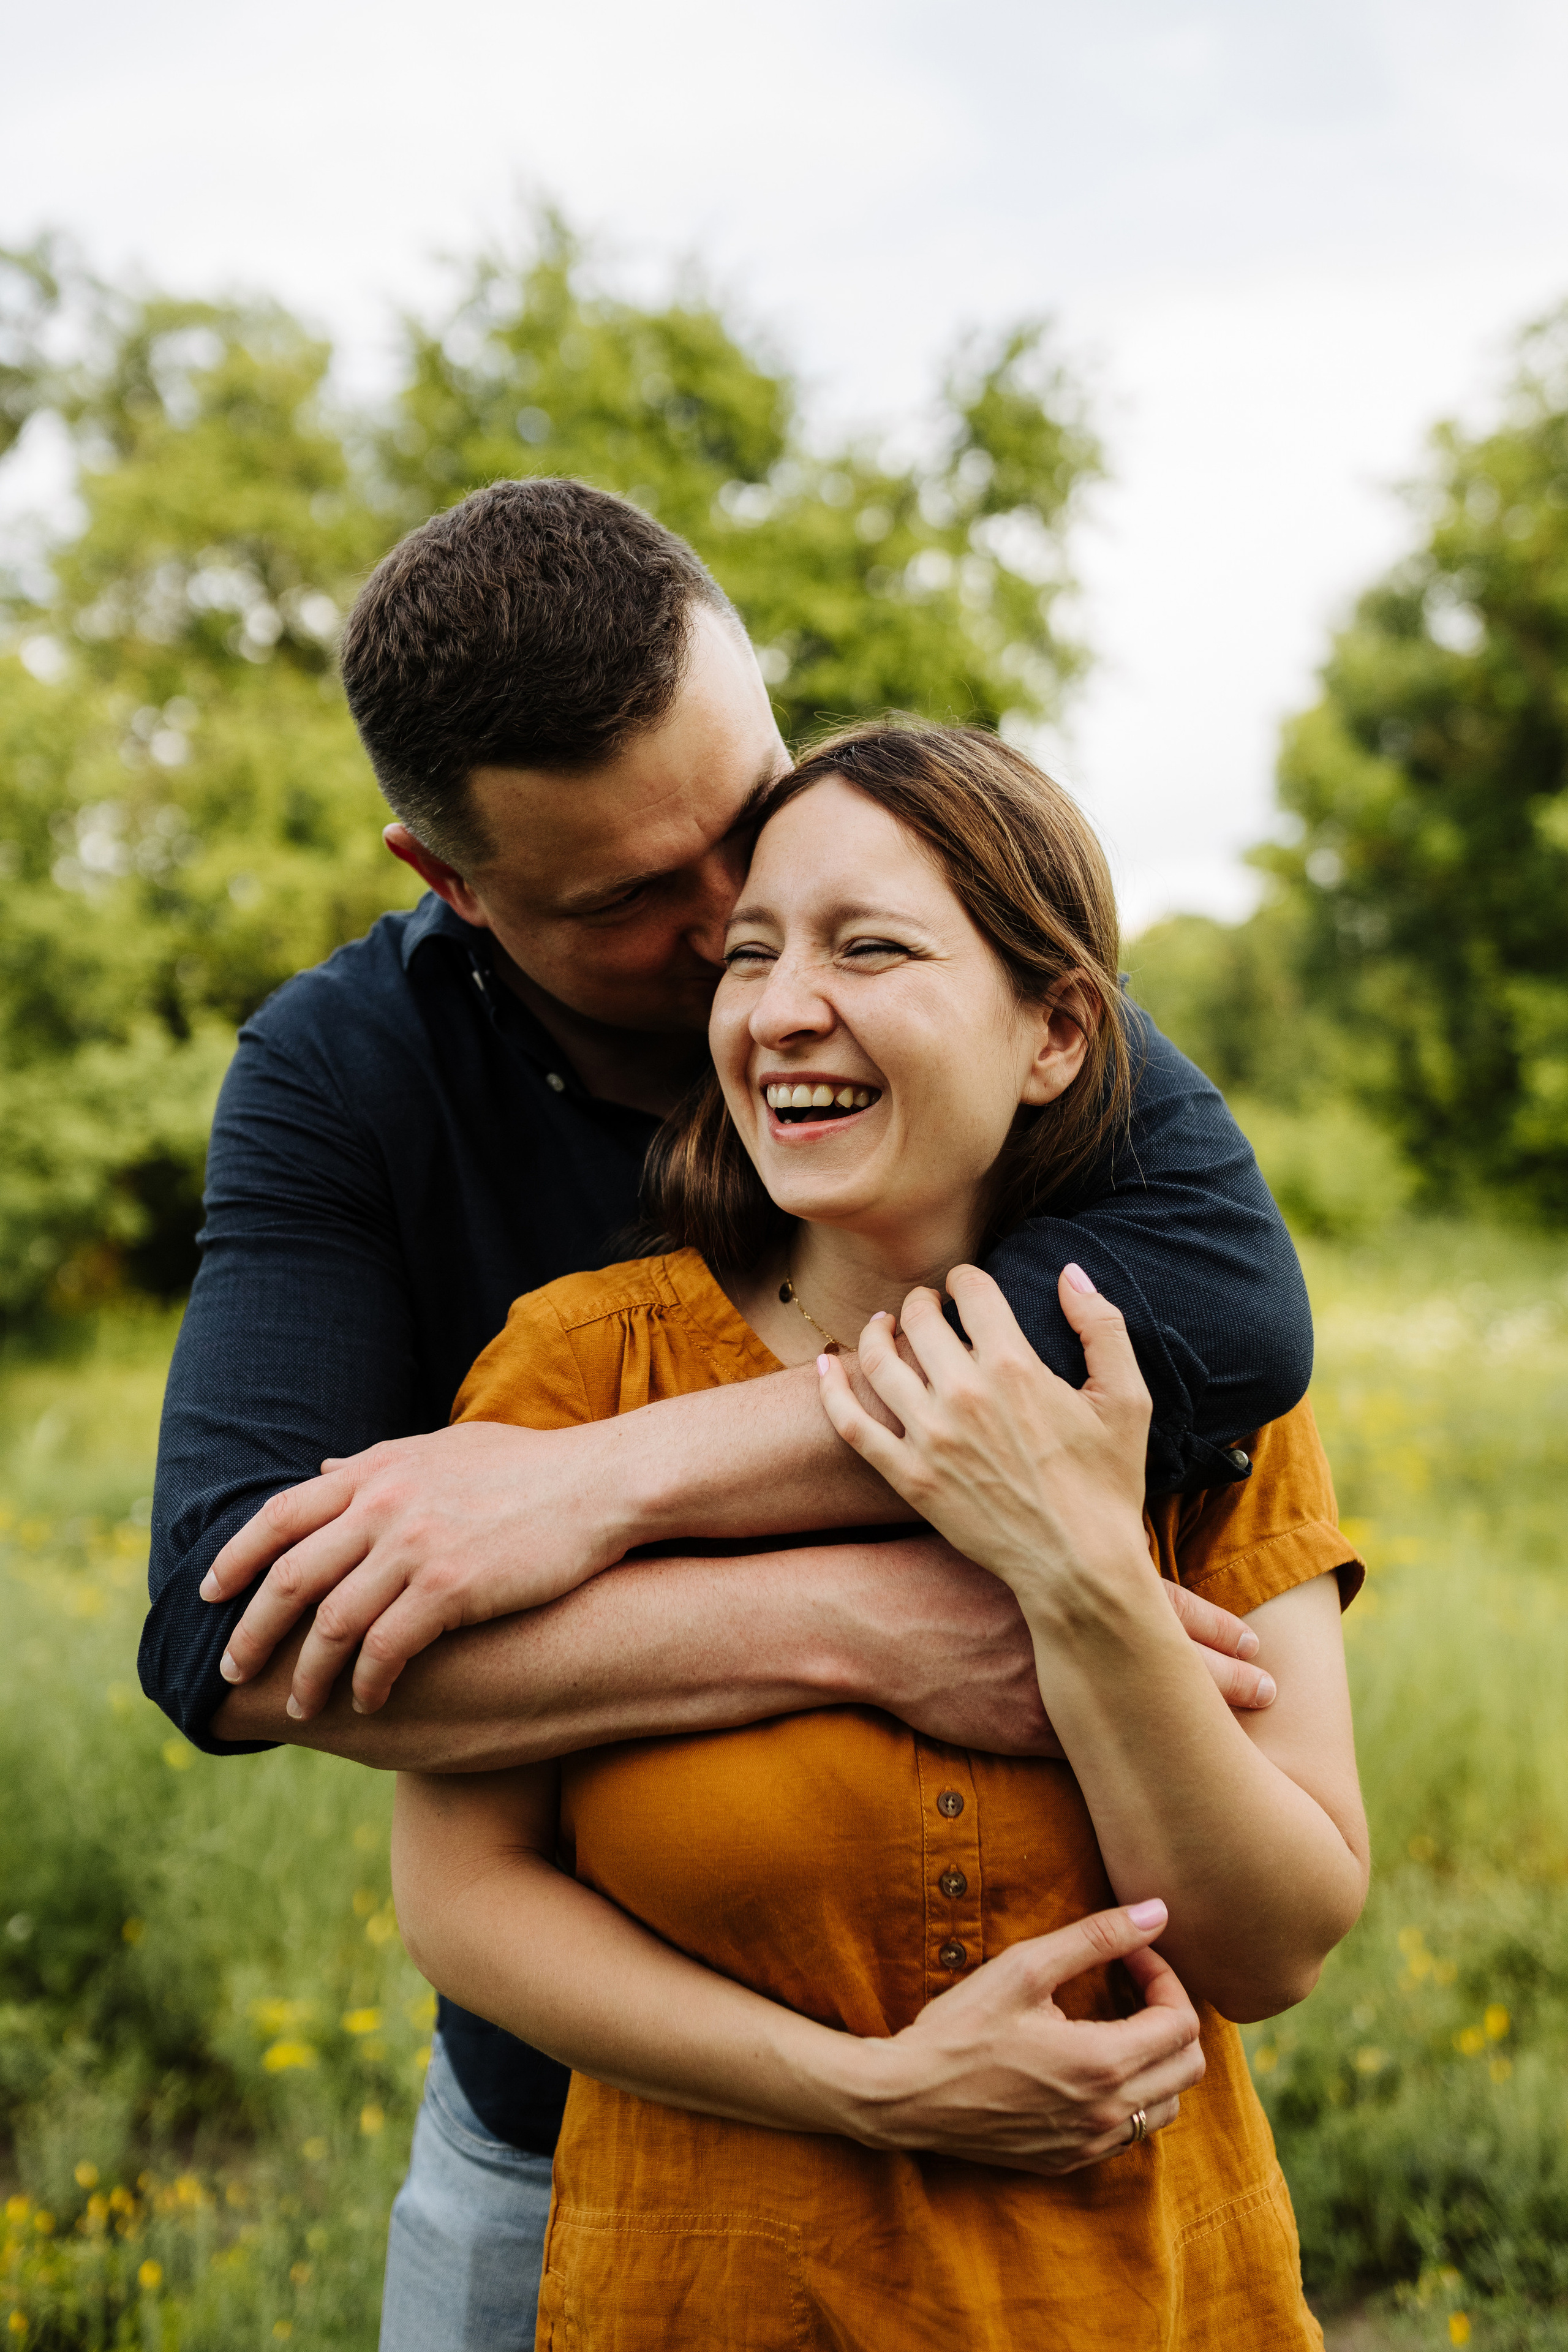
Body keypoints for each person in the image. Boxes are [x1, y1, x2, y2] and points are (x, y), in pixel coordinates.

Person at [140, 479, 1314, 2350]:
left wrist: (603, 1489)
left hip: (1084, 2204)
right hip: (587, 2157)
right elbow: (226, 1634)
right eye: (631, 901)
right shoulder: (350, 1078)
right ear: (451, 882)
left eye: (743, 824)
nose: (730, 945)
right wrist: (861, 1626)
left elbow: (1234, 1313)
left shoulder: (924, 950)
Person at [394, 725, 1367, 2350]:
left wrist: (1077, 1576)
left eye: (873, 948)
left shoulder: (1185, 1396)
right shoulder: (576, 1374)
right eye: (752, 954)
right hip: (704, 2299)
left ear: (1057, 1031)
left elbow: (1271, 1948)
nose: (780, 1010)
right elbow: (466, 1900)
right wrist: (876, 2094)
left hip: (1141, 2300)